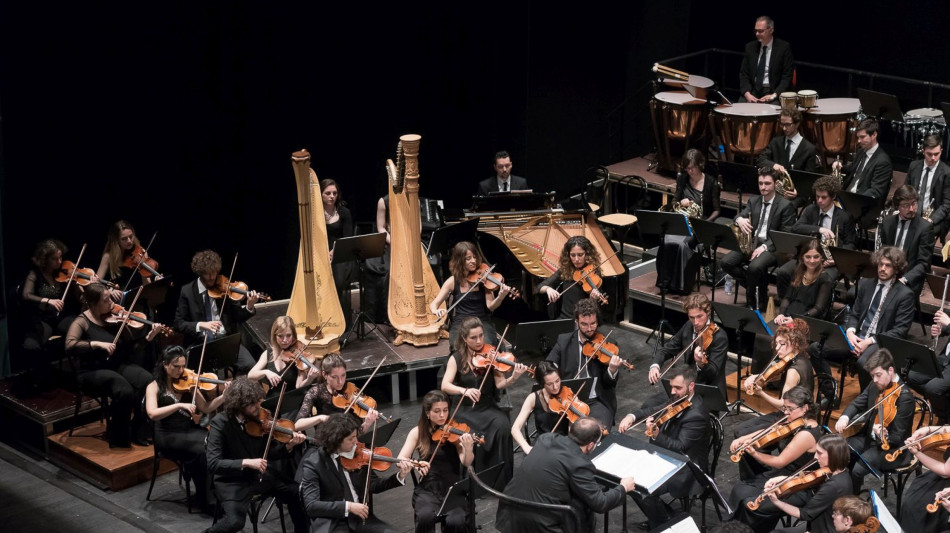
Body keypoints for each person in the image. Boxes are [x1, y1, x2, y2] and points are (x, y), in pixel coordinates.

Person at [204, 377, 308, 533]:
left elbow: (270, 453)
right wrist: (245, 462)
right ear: (238, 404)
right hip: (232, 481)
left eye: (258, 402)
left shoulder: (260, 419)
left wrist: (289, 446)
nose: (258, 407)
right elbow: (213, 464)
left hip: (257, 475)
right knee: (234, 522)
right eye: (252, 404)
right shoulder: (221, 423)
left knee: (298, 493)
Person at [495, 417, 635, 533]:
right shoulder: (579, 464)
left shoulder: (546, 438)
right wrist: (623, 488)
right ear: (591, 445)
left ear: (570, 430)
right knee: (583, 510)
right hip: (537, 526)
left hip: (508, 513)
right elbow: (600, 503)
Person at [65, 282, 159, 448]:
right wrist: (96, 344)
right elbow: (70, 345)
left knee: (148, 380)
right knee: (123, 389)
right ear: (93, 303)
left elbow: (130, 350)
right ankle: (118, 436)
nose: (112, 304)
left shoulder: (113, 319)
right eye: (106, 301)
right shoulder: (82, 322)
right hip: (92, 370)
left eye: (111, 300)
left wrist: (148, 338)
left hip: (116, 365)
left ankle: (138, 430)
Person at [617, 368, 710, 529]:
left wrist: (657, 435)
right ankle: (666, 518)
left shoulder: (697, 414)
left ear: (691, 386)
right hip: (666, 456)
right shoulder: (677, 398)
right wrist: (631, 417)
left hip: (686, 467)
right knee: (630, 480)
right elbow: (653, 410)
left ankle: (664, 523)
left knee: (641, 486)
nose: (673, 391)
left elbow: (680, 447)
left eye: (678, 388)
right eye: (672, 386)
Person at [442, 316, 527, 490]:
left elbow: (500, 384)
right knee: (470, 434)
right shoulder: (456, 358)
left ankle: (501, 480)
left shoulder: (492, 355)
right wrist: (464, 390)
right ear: (464, 339)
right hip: (464, 409)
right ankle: (477, 483)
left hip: (486, 407)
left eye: (481, 335)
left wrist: (514, 377)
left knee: (503, 426)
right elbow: (445, 385)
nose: (479, 340)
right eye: (473, 338)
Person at [145, 345, 227, 511]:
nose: (181, 370)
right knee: (205, 448)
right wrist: (179, 406)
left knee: (215, 442)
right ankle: (206, 499)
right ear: (165, 364)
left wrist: (224, 396)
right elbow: (152, 413)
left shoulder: (189, 382)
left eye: (183, 366)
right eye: (176, 367)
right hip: (168, 436)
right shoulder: (153, 387)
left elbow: (205, 408)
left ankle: (212, 492)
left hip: (188, 431)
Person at [297, 413, 412, 533]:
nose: (356, 442)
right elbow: (311, 506)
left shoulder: (358, 454)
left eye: (356, 436)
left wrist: (400, 476)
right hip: (333, 522)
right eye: (351, 439)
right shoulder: (314, 463)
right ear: (336, 440)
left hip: (361, 519)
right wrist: (349, 506)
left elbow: (374, 484)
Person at [728, 387, 822, 523]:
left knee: (749, 501)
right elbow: (771, 429)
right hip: (782, 473)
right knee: (739, 489)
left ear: (805, 408)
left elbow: (780, 461)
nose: (786, 412)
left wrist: (755, 453)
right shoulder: (795, 421)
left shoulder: (806, 434)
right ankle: (735, 527)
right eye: (784, 408)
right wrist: (743, 438)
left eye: (790, 409)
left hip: (794, 481)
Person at [834, 349, 915, 495]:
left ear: (890, 370)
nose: (875, 380)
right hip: (869, 438)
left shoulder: (905, 398)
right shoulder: (875, 385)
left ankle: (853, 502)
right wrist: (844, 417)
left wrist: (882, 434)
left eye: (878, 375)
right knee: (839, 450)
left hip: (892, 449)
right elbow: (857, 403)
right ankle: (843, 493)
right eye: (872, 376)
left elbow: (897, 437)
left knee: (858, 469)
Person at [737, 434, 852, 533]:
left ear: (833, 456)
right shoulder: (837, 471)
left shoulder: (834, 486)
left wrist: (776, 502)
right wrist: (785, 478)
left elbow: (804, 514)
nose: (815, 457)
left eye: (819, 453)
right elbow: (811, 474)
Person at [397, 390, 475, 533]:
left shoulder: (454, 430)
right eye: (437, 411)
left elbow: (466, 462)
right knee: (425, 517)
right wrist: (416, 464)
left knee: (456, 521)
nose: (442, 415)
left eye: (445, 410)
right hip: (428, 489)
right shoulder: (418, 432)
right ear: (427, 413)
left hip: (453, 489)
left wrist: (468, 448)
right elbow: (400, 458)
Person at [721, 166, 797, 311]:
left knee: (754, 267)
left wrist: (765, 247)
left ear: (776, 184)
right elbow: (739, 216)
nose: (763, 187)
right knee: (726, 262)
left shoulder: (785, 206)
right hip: (753, 242)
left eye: (767, 183)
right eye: (760, 183)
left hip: (773, 246)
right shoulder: (754, 201)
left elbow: (785, 234)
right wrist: (739, 220)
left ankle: (753, 302)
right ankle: (759, 286)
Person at [838, 247, 915, 389]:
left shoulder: (905, 295)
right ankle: (830, 394)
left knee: (864, 363)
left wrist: (868, 341)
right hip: (857, 337)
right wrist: (850, 333)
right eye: (881, 264)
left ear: (897, 269)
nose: (883, 269)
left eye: (888, 265)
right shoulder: (866, 284)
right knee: (816, 348)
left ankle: (866, 401)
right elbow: (854, 314)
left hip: (879, 340)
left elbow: (900, 330)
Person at [174, 249, 258, 374]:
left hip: (225, 341)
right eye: (208, 274)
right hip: (200, 343)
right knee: (188, 373)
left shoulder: (224, 286)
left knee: (250, 365)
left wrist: (249, 306)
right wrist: (201, 325)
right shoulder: (187, 292)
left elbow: (237, 316)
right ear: (200, 273)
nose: (212, 277)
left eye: (214, 273)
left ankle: (236, 390)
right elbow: (179, 323)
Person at [775, 176, 857, 299]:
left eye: (823, 197)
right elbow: (796, 227)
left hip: (830, 261)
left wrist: (836, 258)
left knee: (825, 280)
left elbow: (850, 244)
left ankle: (818, 312)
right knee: (783, 272)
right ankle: (786, 304)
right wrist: (819, 229)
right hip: (808, 257)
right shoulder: (811, 210)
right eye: (817, 196)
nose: (819, 200)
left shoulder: (845, 217)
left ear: (833, 196)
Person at [545, 298, 624, 426]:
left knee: (597, 429)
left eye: (593, 324)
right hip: (568, 397)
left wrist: (612, 370)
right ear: (576, 322)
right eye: (584, 324)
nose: (589, 329)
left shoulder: (608, 344)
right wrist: (553, 374)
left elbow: (609, 383)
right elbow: (549, 363)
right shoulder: (564, 340)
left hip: (596, 399)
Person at [16, 239, 80, 391]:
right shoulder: (35, 274)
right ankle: (41, 378)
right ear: (45, 259)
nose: (59, 261)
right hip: (43, 320)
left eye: (60, 257)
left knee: (79, 328)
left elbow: (79, 297)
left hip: (60, 318)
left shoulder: (64, 273)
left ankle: (81, 375)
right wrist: (48, 300)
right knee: (32, 346)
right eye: (55, 259)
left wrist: (78, 282)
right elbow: (26, 295)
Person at [655, 148, 722, 294]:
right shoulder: (683, 178)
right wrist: (680, 202)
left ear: (701, 164)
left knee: (684, 246)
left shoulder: (711, 183)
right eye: (687, 168)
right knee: (667, 241)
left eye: (692, 167)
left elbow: (717, 210)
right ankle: (665, 283)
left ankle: (681, 286)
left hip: (700, 225)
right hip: (683, 221)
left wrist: (704, 224)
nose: (689, 171)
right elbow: (674, 202)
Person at [429, 241, 513, 346]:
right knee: (458, 347)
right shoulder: (452, 281)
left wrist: (501, 297)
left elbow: (491, 307)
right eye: (468, 259)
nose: (473, 261)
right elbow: (433, 304)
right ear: (459, 261)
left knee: (485, 346)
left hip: (482, 322)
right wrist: (436, 310)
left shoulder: (484, 279)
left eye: (474, 257)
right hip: (461, 323)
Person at [648, 293, 728, 400]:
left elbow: (713, 373)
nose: (696, 322)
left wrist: (701, 364)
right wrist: (655, 365)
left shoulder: (719, 337)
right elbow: (667, 349)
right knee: (651, 402)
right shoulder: (688, 326)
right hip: (687, 386)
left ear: (708, 312)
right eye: (691, 317)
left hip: (708, 390)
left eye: (699, 316)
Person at [743, 319, 815, 416]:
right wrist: (756, 376)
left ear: (795, 344)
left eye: (782, 344)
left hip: (791, 417)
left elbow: (783, 406)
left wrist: (761, 393)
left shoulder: (793, 370)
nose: (777, 348)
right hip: (796, 414)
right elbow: (780, 376)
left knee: (742, 430)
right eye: (776, 343)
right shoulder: (801, 358)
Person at [295, 353, 380, 433]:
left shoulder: (350, 388)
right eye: (334, 377)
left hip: (349, 443)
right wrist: (320, 418)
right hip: (327, 440)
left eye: (343, 375)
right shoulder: (315, 392)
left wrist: (367, 423)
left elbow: (356, 436)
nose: (340, 381)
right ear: (324, 374)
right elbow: (297, 425)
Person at [877, 185, 935, 296]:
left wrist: (905, 279)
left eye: (914, 204)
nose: (912, 209)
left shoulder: (925, 228)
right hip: (887, 273)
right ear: (897, 206)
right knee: (854, 293)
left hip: (909, 279)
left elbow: (923, 264)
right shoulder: (888, 222)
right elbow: (883, 252)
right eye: (906, 205)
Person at [248, 316, 321, 399]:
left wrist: (310, 379)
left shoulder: (299, 355)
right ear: (274, 336)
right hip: (272, 399)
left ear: (293, 335)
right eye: (280, 336)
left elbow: (298, 386)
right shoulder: (268, 353)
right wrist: (266, 372)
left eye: (288, 335)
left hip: (292, 399)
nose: (285, 340)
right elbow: (250, 375)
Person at [510, 362, 571, 454]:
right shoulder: (533, 398)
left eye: (557, 381)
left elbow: (573, 426)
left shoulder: (568, 394)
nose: (555, 387)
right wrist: (526, 447)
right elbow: (515, 429)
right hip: (543, 444)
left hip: (564, 444)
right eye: (549, 384)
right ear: (542, 384)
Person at [538, 235, 606, 319]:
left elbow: (596, 310)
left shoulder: (594, 272)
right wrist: (548, 289)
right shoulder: (566, 270)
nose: (576, 259)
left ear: (587, 254)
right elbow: (540, 287)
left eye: (580, 255)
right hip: (564, 319)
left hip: (583, 320)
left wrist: (592, 300)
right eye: (573, 255)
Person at [898, 424, 950, 531]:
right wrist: (927, 429)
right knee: (912, 498)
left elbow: (945, 471)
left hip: (946, 479)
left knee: (916, 508)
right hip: (942, 476)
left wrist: (917, 453)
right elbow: (947, 429)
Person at [322, 179, 356, 331]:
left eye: (334, 193)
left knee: (339, 282)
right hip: (321, 254)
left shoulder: (343, 212)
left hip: (340, 254)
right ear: (321, 194)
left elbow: (347, 237)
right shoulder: (315, 214)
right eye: (327, 193)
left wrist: (334, 251)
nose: (331, 196)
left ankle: (342, 325)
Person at [833, 118, 893, 203]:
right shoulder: (861, 151)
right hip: (847, 194)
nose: (859, 141)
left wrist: (853, 201)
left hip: (860, 201)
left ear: (874, 135)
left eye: (862, 137)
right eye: (858, 137)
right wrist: (841, 167)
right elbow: (852, 169)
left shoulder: (883, 162)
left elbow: (875, 191)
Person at [96, 220, 160, 298]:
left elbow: (146, 286)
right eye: (124, 239)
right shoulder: (108, 257)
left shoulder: (141, 252)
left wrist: (147, 274)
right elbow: (96, 283)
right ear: (116, 240)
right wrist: (108, 291)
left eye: (131, 236)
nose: (129, 241)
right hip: (117, 299)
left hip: (137, 298)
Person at [774, 240, 834, 323]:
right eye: (808, 257)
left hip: (809, 319)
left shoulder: (825, 279)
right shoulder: (798, 272)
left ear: (821, 257)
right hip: (790, 315)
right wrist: (781, 314)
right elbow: (787, 298)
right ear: (802, 257)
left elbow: (818, 309)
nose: (812, 261)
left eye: (816, 257)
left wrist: (795, 319)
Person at [739, 15, 794, 103]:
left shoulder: (783, 47)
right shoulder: (750, 47)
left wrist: (775, 94)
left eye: (760, 31)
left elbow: (787, 76)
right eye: (756, 31)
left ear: (771, 30)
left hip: (772, 91)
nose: (757, 34)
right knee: (739, 111)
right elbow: (744, 74)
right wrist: (747, 94)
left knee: (771, 113)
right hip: (753, 91)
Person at [907, 134, 950, 241]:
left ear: (941, 151)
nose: (933, 158)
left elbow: (947, 204)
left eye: (937, 154)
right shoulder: (914, 166)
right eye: (929, 154)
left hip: (933, 218)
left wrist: (931, 219)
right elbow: (905, 191)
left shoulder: (947, 173)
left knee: (921, 234)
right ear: (923, 151)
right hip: (911, 212)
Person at [757, 109, 820, 180]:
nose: (784, 128)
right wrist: (774, 165)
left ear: (797, 124)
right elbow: (760, 160)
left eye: (787, 124)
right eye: (782, 124)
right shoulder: (776, 142)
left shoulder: (809, 149)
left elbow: (809, 178)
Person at [918, 309, 950, 421]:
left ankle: (945, 417)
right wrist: (941, 331)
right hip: (945, 358)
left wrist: (949, 323)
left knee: (932, 388)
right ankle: (943, 404)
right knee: (910, 373)